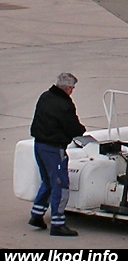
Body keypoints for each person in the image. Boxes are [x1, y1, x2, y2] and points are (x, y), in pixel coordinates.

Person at [29, 73, 86, 237]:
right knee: (60, 185)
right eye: (73, 88)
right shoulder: (64, 104)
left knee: (47, 181)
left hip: (39, 145)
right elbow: (73, 127)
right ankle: (57, 224)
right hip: (54, 149)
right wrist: (82, 131)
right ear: (68, 88)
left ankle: (37, 214)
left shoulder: (45, 96)